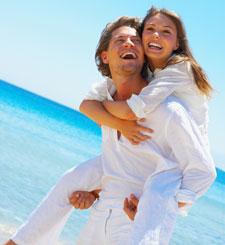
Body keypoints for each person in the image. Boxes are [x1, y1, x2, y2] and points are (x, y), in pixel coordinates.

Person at [4, 11, 216, 245]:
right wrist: (93, 192)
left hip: (134, 225)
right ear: (105, 57)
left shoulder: (169, 109)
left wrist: (159, 210)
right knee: (69, 181)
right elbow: (118, 158)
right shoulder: (106, 96)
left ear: (143, 56)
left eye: (135, 41)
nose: (129, 43)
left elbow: (203, 171)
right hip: (100, 219)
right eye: (120, 40)